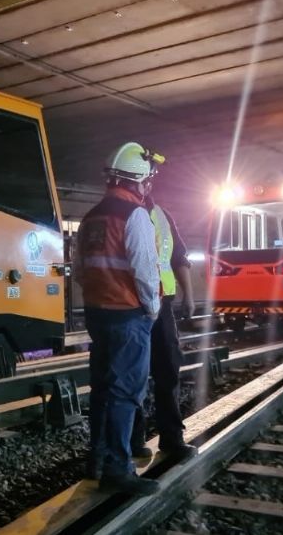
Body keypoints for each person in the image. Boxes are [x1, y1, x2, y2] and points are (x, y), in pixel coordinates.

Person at [75, 141, 161, 496]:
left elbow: (80, 270)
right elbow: (144, 270)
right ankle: (117, 469)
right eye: (147, 181)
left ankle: (96, 459)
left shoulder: (90, 217)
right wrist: (152, 308)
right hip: (129, 315)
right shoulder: (134, 215)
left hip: (98, 313)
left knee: (102, 390)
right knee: (125, 392)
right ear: (138, 181)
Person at [130, 167, 199, 462]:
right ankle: (134, 442)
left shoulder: (161, 216)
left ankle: (172, 438)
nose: (143, 186)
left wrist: (189, 295)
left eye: (145, 182)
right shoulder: (125, 215)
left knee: (168, 371)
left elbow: (178, 257)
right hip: (132, 308)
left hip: (163, 307)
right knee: (134, 376)